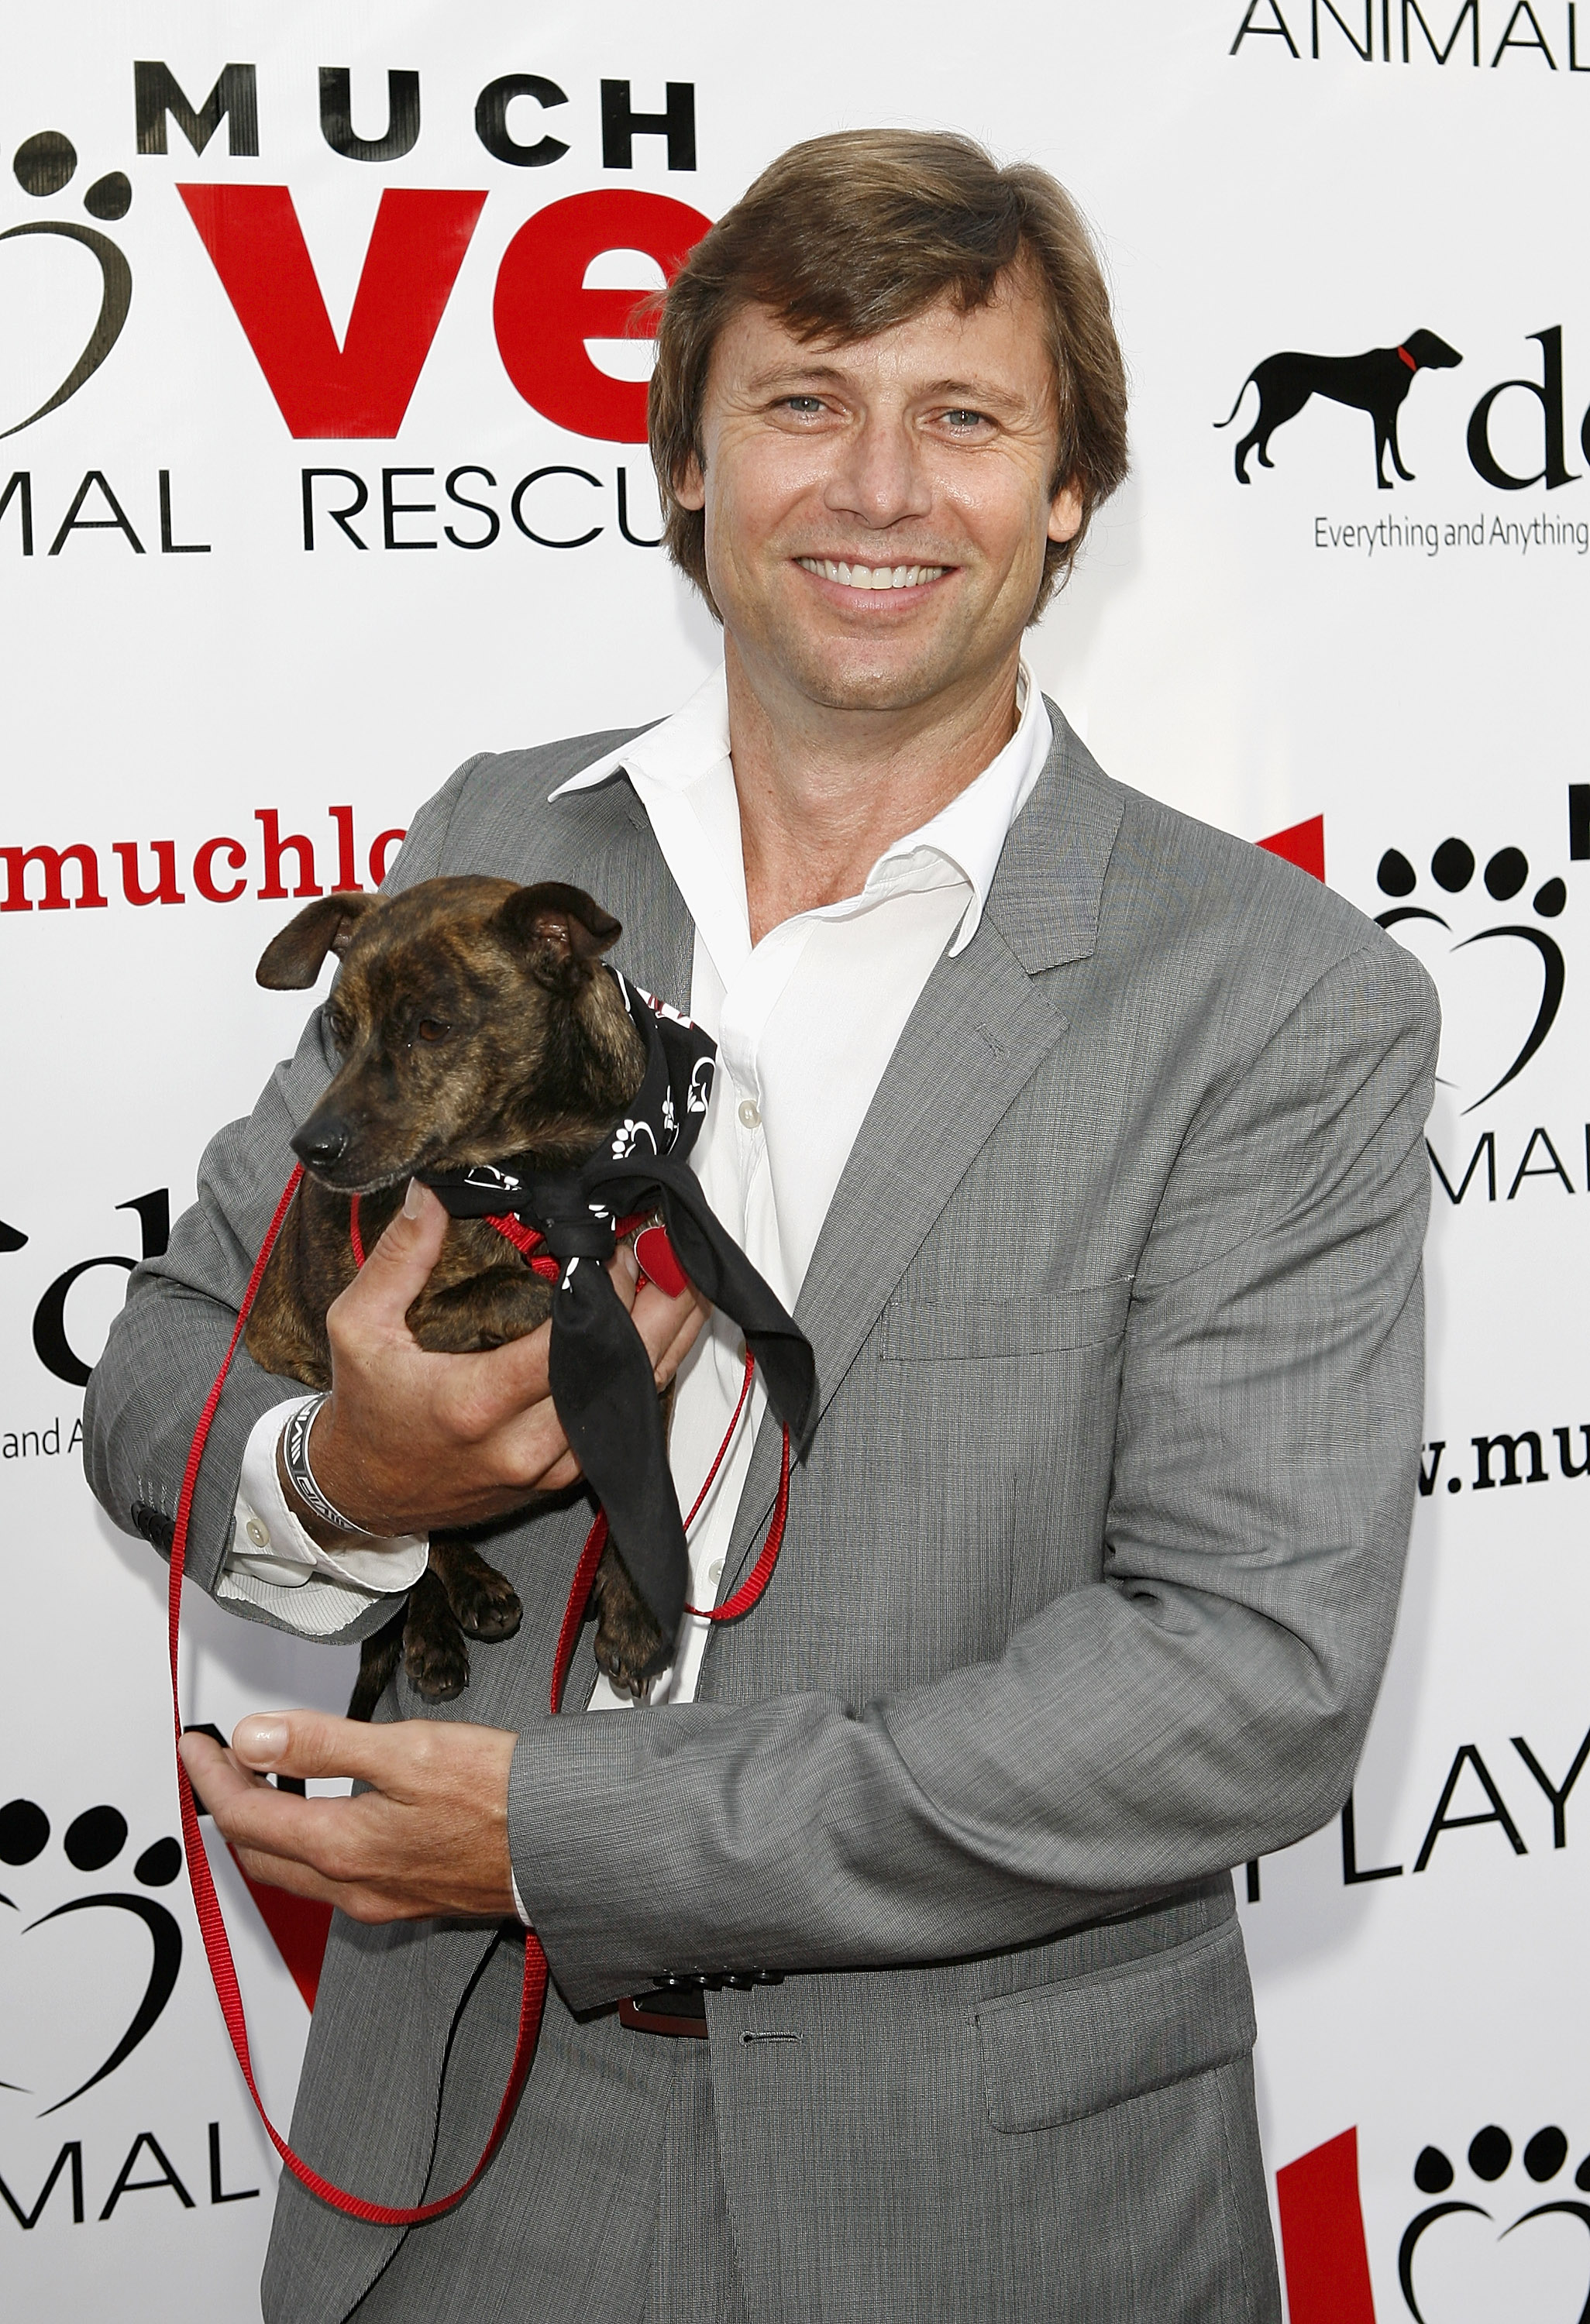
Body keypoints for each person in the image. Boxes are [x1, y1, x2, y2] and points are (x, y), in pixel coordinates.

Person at [85, 129, 1437, 2324]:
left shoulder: (1275, 998)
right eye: (804, 401)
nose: (879, 490)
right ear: (687, 467)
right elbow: (168, 1348)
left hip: (988, 2211)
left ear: (1070, 489)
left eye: (964, 417)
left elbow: (1243, 1689)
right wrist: (342, 1473)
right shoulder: (488, 842)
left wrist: (565, 1836)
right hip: (462, 2151)